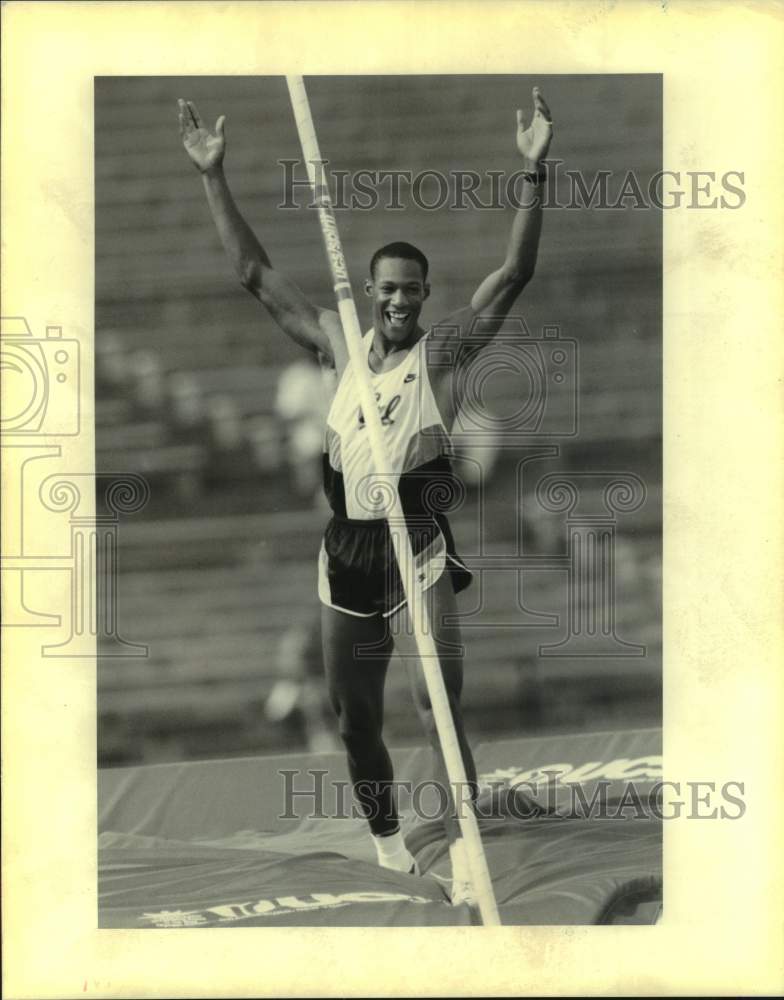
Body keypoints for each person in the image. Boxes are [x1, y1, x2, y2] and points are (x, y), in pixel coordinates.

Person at [178, 86, 553, 906]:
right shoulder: (336, 344)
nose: (398, 298)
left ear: (422, 296)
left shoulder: (439, 351)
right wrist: (214, 174)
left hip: (415, 541)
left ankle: (465, 857)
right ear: (370, 291)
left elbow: (512, 275)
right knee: (356, 721)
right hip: (347, 551)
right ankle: (390, 849)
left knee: (437, 705)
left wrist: (534, 168)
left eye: (411, 289)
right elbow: (252, 273)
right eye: (387, 287)